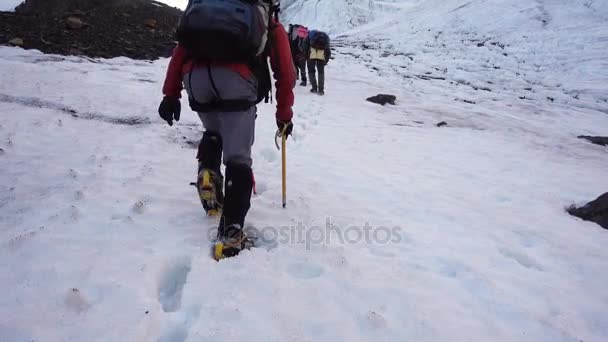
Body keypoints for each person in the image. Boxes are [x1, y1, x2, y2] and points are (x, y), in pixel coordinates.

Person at [158, 0, 295, 258]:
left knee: (214, 133)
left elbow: (181, 50)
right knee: (238, 157)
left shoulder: (205, 10)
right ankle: (231, 237)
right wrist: (284, 114)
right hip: (237, 81)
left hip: (196, 78)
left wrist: (171, 94)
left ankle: (209, 173)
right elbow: (285, 73)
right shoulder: (267, 20)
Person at [305, 30, 331, 95]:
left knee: (311, 71)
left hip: (311, 54)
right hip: (321, 55)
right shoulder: (325, 38)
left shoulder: (310, 36)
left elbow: (305, 47)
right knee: (321, 72)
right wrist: (326, 61)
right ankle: (321, 90)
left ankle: (314, 88)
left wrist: (306, 56)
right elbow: (328, 51)